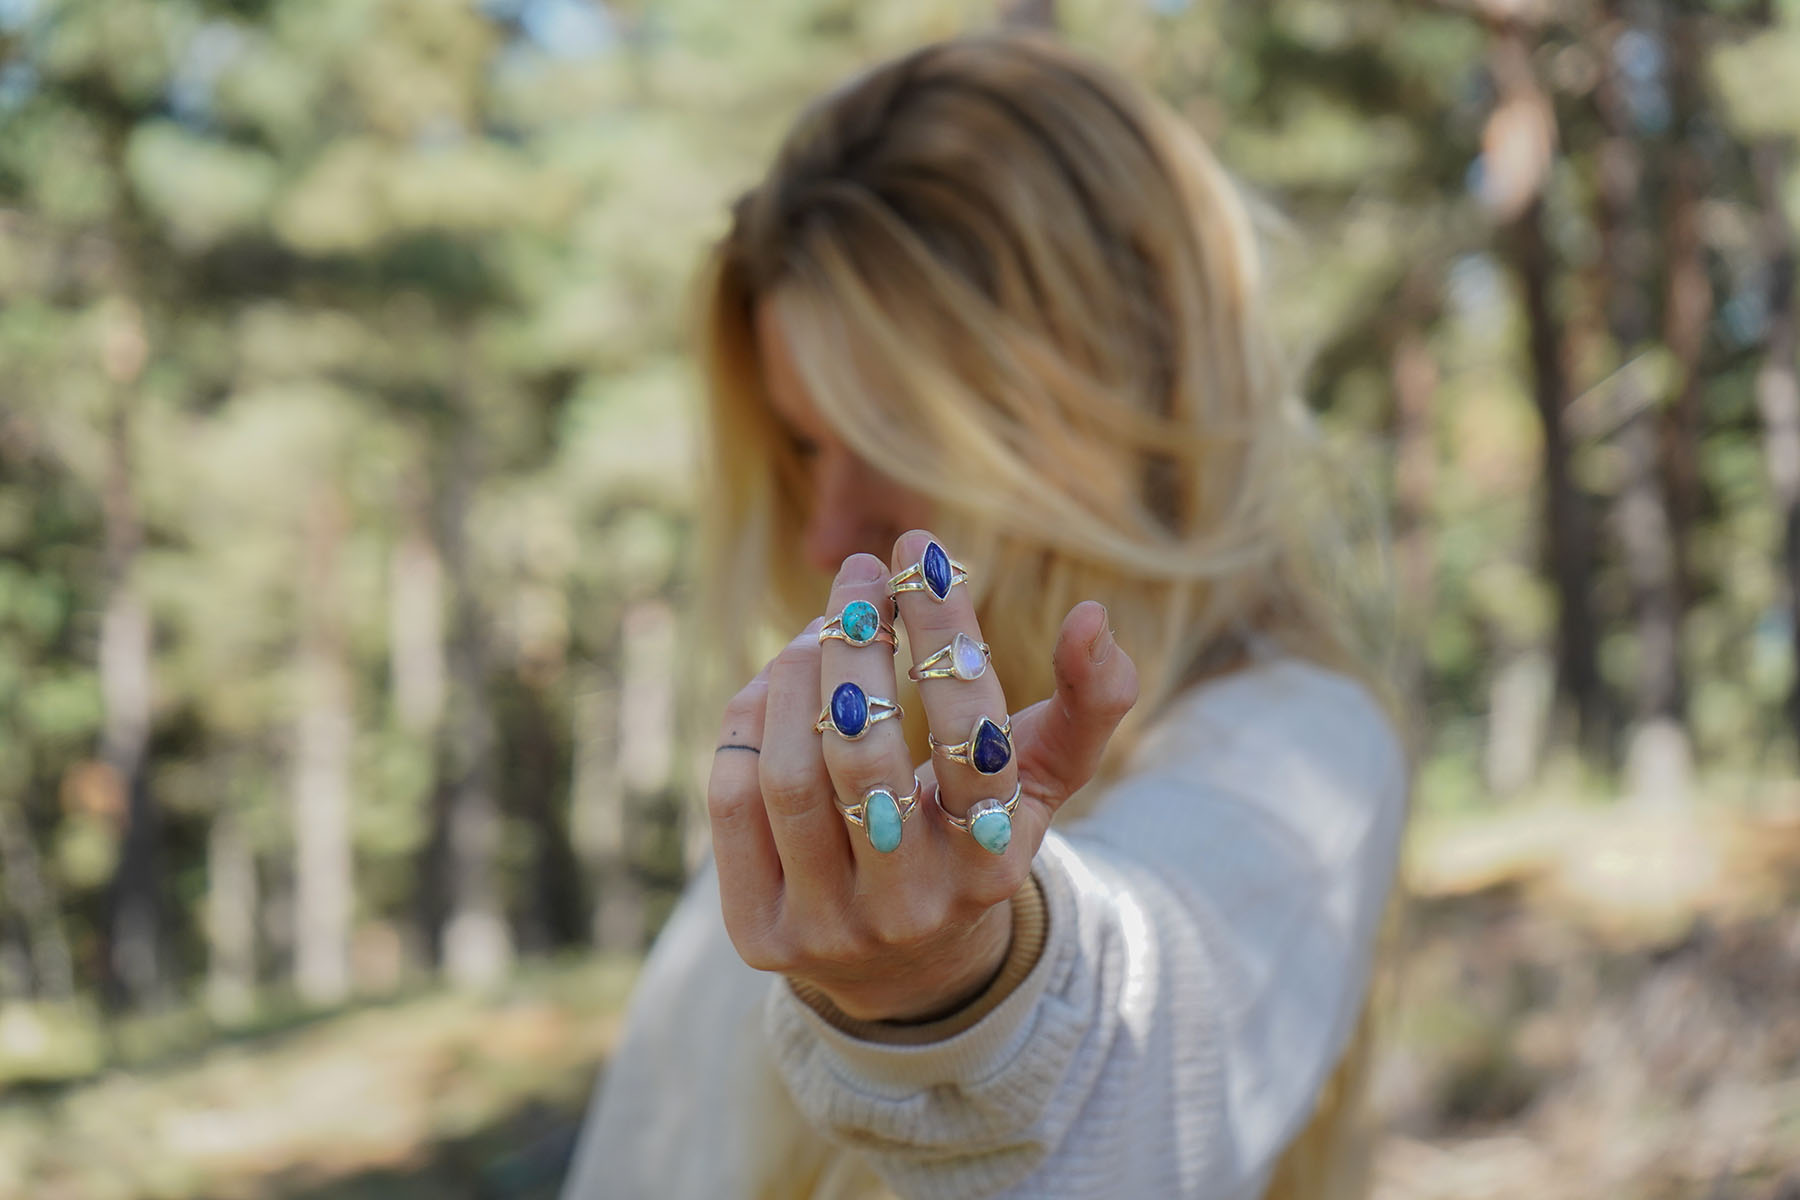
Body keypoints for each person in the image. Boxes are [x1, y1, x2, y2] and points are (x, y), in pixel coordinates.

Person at [560, 30, 1407, 1200]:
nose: (822, 534)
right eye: (808, 445)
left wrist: (959, 991)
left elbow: (1153, 1061)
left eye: (899, 435)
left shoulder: (1298, 743)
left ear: (1110, 397)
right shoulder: (831, 813)